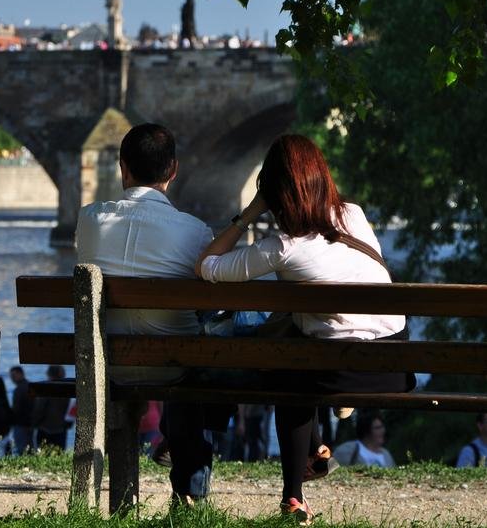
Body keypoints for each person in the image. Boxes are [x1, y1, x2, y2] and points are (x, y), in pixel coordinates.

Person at [196, 134, 413, 523]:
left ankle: (293, 495)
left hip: (338, 370)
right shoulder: (355, 214)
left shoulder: (284, 247)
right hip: (394, 362)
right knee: (299, 347)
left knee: (288, 370)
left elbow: (207, 267)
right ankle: (313, 454)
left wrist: (246, 215)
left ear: (274, 192)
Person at [76, 122, 218, 504]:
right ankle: (190, 488)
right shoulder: (196, 232)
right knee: (203, 338)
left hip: (105, 365)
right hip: (174, 366)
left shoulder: (89, 220)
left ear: (123, 168)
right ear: (173, 171)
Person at [32, 365, 71, 450]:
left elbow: (39, 409)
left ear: (49, 374)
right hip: (61, 428)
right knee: (59, 454)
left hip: (45, 428)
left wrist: (35, 423)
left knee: (43, 454)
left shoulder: (46, 388)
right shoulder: (66, 389)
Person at [8, 366, 34, 454]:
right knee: (29, 448)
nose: (12, 378)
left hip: (20, 424)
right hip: (30, 423)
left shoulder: (19, 390)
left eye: (14, 376)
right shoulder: (30, 386)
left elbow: (16, 409)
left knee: (22, 449)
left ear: (21, 374)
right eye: (11, 376)